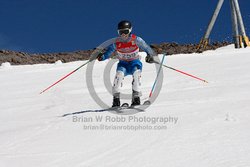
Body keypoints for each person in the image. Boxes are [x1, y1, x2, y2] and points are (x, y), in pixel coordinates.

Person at [97, 20, 157, 107]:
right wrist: (102, 57)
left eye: (125, 31)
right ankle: (116, 101)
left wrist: (150, 56)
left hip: (134, 63)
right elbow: (108, 53)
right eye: (121, 32)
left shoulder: (136, 40)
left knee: (137, 75)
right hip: (123, 64)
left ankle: (136, 99)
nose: (123, 34)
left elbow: (147, 48)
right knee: (118, 77)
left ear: (130, 30)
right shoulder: (116, 42)